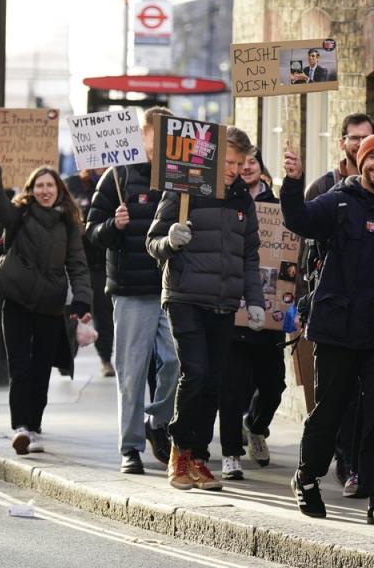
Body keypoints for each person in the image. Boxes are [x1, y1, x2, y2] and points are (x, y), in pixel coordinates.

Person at [282, 133, 374, 527]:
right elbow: (298, 220)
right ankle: (307, 477)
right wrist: (293, 182)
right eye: (372, 157)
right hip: (336, 328)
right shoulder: (337, 202)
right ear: (360, 161)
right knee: (330, 410)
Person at [146, 126, 265, 491]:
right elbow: (152, 242)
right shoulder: (184, 188)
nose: (233, 169)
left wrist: (256, 301)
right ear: (213, 156)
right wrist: (170, 240)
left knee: (214, 381)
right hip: (184, 296)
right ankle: (178, 449)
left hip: (223, 301)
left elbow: (249, 255)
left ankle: (198, 457)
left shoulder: (243, 198)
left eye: (240, 163)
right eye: (228, 161)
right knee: (195, 373)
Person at [0, 144, 92, 456]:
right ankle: (21, 428)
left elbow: (78, 265)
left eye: (50, 186)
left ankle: (34, 425)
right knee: (20, 366)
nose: (45, 191)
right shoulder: (19, 215)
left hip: (50, 305)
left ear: (59, 190)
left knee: (41, 367)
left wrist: (82, 300)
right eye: (39, 186)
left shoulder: (69, 223)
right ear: (31, 190)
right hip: (16, 301)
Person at [86, 106, 181, 474]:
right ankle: (130, 447)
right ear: (142, 137)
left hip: (170, 287)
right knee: (132, 372)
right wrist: (114, 224)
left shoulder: (179, 177)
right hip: (131, 289)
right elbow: (92, 232)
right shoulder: (117, 177)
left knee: (175, 362)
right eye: (159, 135)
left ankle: (157, 422)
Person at [299, 112, 374, 494]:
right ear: (342, 143)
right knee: (332, 395)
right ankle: (319, 463)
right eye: (354, 138)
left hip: (367, 311)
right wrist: (301, 301)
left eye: (368, 138)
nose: (361, 144)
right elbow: (302, 248)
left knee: (362, 395)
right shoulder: (322, 189)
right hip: (329, 305)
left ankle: (350, 462)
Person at [217, 143, 287, 480]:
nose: (245, 168)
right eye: (238, 162)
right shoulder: (226, 200)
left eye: (250, 162)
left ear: (259, 165)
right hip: (232, 308)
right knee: (231, 386)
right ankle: (231, 452)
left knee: (274, 384)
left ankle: (256, 425)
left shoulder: (277, 207)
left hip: (268, 311)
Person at [66, 168, 115, 378]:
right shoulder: (74, 184)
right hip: (76, 261)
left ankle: (105, 359)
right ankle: (66, 357)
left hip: (100, 261)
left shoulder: (115, 182)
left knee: (103, 314)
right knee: (72, 312)